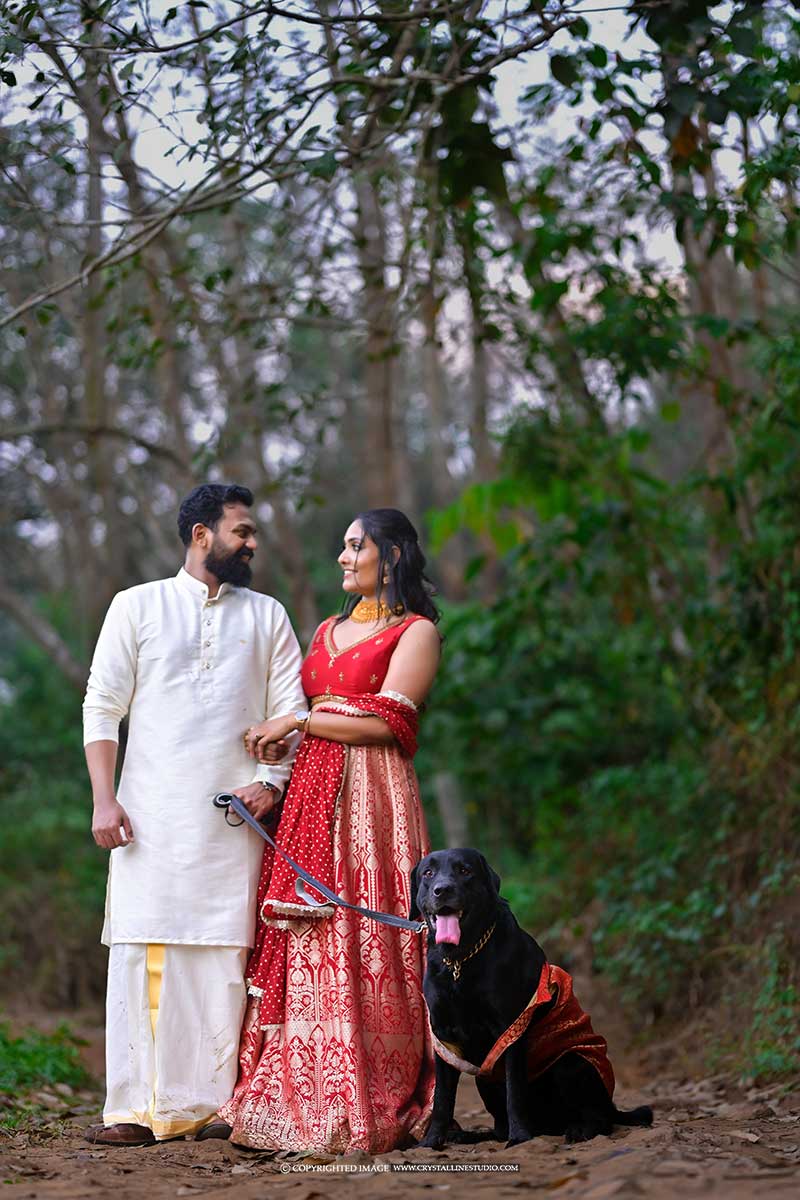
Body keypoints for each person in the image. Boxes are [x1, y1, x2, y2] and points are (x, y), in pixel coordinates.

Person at [82, 483, 307, 1146]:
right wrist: (104, 797)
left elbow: (291, 710)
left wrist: (272, 782)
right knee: (143, 950)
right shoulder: (137, 606)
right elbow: (102, 706)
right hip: (146, 819)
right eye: (242, 531)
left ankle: (213, 1108)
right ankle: (131, 1110)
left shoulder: (267, 616)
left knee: (222, 963)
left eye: (253, 531)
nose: (252, 543)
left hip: (232, 824)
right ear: (201, 534)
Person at [214, 508, 442, 1153]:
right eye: (342, 547)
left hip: (374, 798)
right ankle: (293, 1095)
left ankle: (366, 1092)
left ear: (390, 556)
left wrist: (299, 723)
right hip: (312, 790)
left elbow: (388, 725)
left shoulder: (416, 632)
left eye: (353, 546)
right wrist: (290, 739)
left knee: (365, 927)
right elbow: (312, 709)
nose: (342, 558)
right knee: (304, 928)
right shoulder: (325, 630)